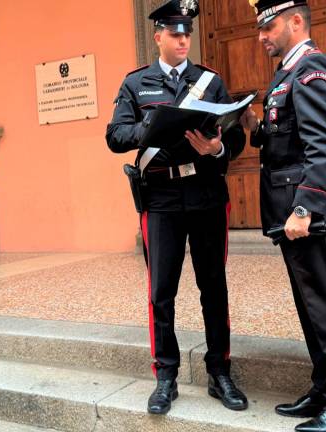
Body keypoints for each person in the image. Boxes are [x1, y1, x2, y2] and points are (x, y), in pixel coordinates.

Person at [105, 0, 248, 416]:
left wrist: (219, 146)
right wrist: (150, 128)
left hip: (205, 194)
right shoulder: (137, 84)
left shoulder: (210, 81)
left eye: (187, 33)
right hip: (161, 198)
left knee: (213, 287)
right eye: (174, 33)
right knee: (161, 292)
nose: (183, 39)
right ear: (158, 36)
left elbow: (234, 137)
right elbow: (115, 136)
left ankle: (220, 372)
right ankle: (165, 375)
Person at [240, 1, 326, 431]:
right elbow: (286, 139)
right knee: (312, 307)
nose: (261, 36)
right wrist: (254, 125)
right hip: (291, 214)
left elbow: (323, 149)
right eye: (259, 28)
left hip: (305, 214)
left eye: (268, 26)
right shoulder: (287, 74)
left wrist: (304, 209)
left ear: (296, 22)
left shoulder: (313, 69)